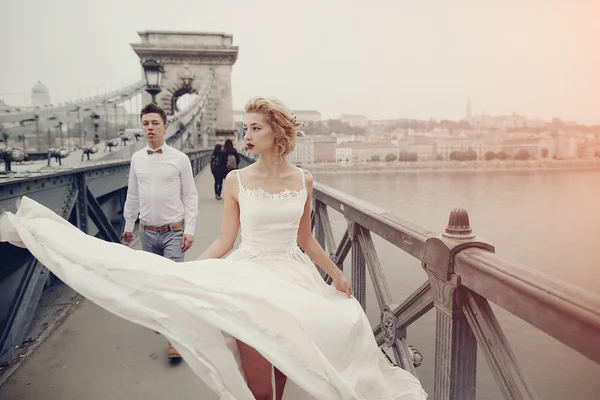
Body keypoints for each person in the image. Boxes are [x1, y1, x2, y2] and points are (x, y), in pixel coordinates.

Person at [0, 97, 427, 400]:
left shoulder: (305, 180)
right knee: (259, 389)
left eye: (255, 127)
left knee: (295, 372)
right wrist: (185, 274)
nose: (246, 133)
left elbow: (305, 238)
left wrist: (334, 273)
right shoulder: (237, 181)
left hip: (295, 279)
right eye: (245, 127)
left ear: (278, 131)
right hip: (250, 277)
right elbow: (225, 240)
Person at [121, 102, 199, 360]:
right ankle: (167, 322)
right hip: (147, 232)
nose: (150, 128)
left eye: (155, 123)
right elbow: (132, 195)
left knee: (172, 285)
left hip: (174, 232)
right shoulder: (136, 159)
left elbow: (190, 196)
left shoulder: (180, 159)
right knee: (155, 282)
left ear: (166, 127)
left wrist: (190, 229)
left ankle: (174, 340)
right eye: (146, 123)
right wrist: (128, 226)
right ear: (141, 128)